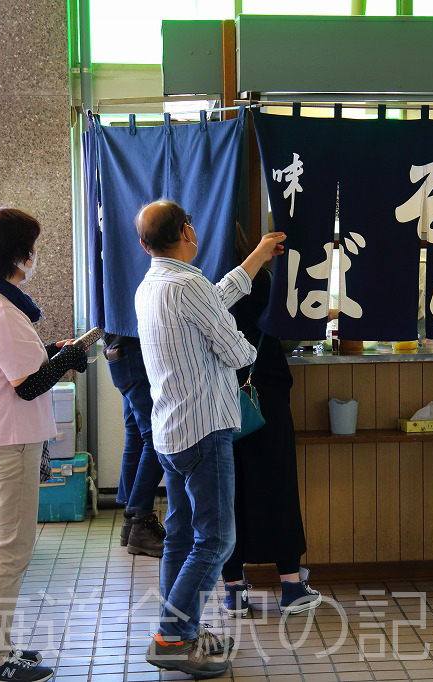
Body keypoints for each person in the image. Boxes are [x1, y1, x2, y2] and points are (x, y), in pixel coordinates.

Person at [134, 200, 284, 678]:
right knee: (216, 541)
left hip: (171, 431)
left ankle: (182, 631)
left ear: (144, 244)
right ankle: (173, 636)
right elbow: (235, 347)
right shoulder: (188, 284)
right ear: (186, 231)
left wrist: (258, 256)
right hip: (204, 430)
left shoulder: (152, 284)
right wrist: (247, 345)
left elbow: (212, 301)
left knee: (180, 538)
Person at [0, 207, 87, 682]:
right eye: (30, 246)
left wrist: (56, 353)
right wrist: (67, 359)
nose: (34, 254)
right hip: (6, 441)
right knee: (11, 549)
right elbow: (27, 384)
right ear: (16, 253)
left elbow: (21, 368)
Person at [221, 229, 319, 617]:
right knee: (277, 484)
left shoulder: (199, 284)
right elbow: (287, 333)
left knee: (227, 492)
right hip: (267, 395)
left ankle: (234, 590)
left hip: (218, 399)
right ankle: (292, 586)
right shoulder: (262, 281)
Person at [103, 331, 165, 558]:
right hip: (138, 350)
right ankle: (140, 520)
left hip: (117, 349)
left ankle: (130, 524)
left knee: (137, 436)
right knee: (157, 437)